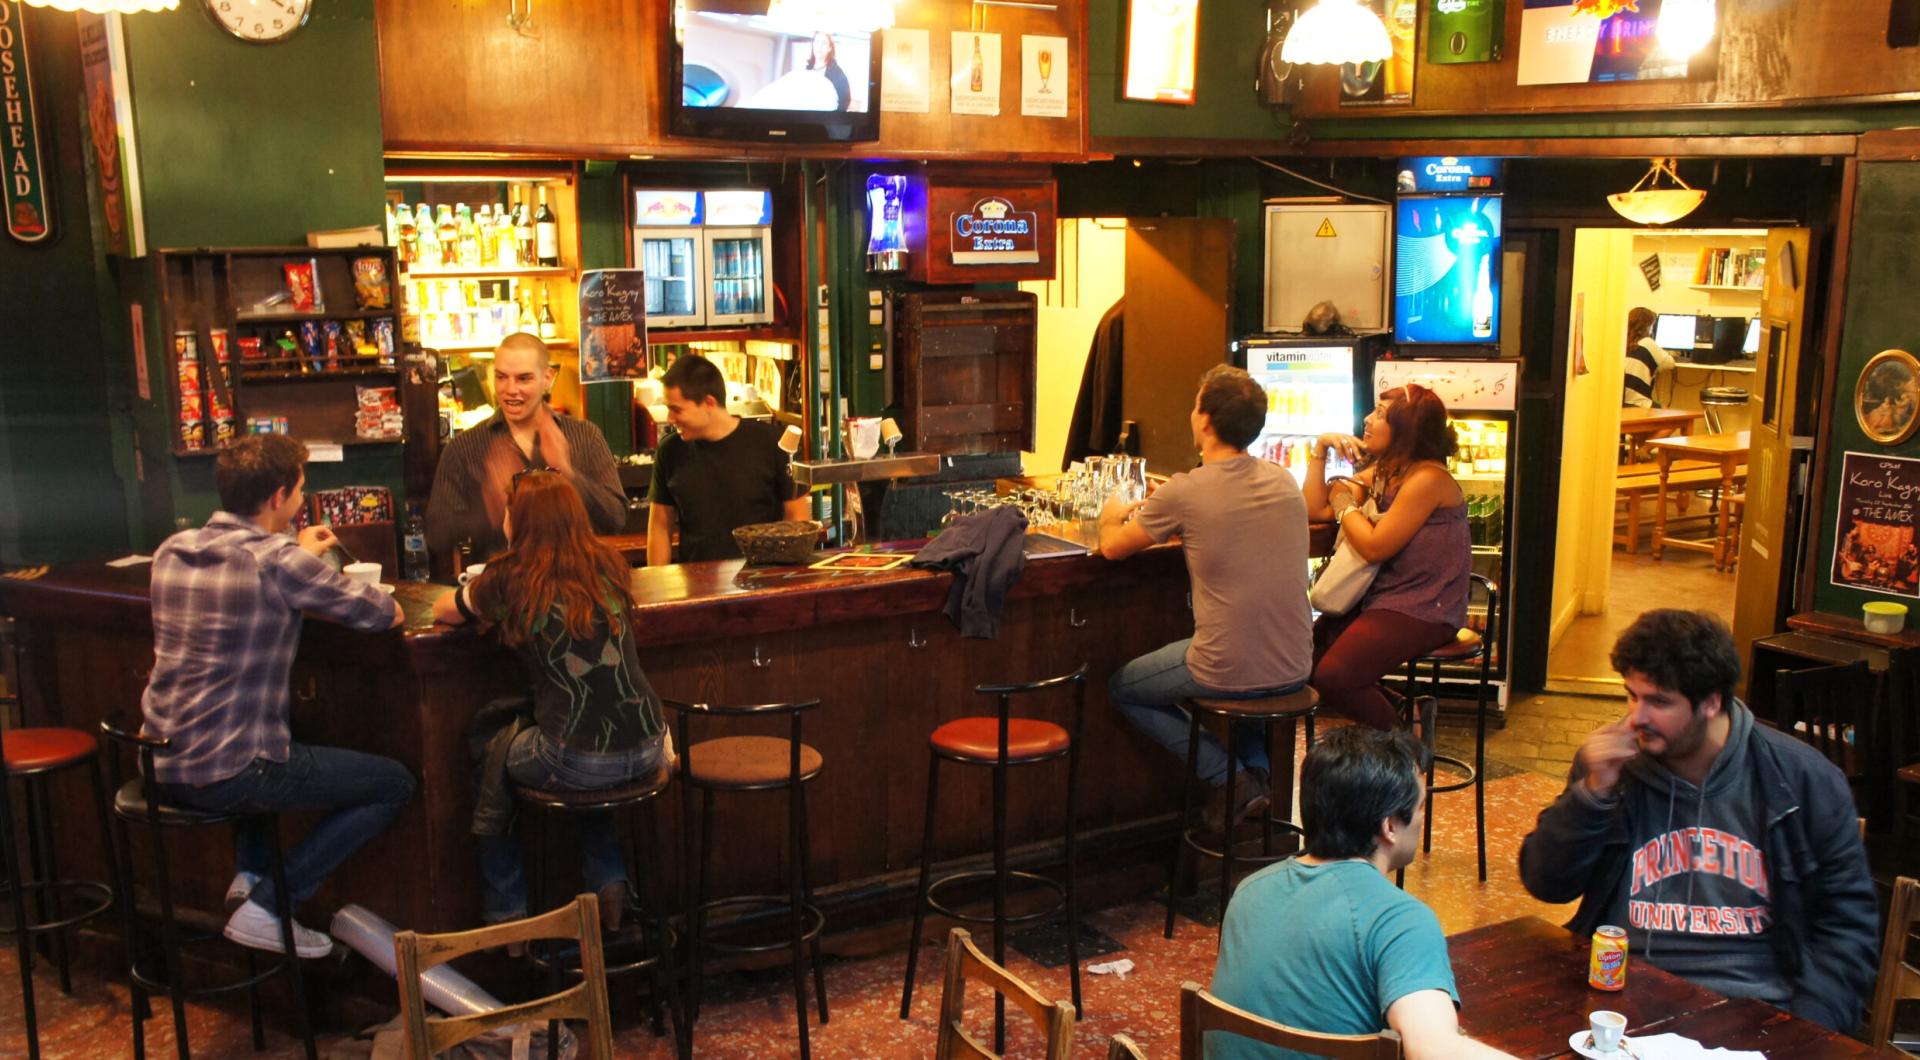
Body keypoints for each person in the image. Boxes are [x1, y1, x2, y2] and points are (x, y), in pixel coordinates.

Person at [1518, 609, 1878, 1033]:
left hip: (1760, 1009)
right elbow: (1546, 884)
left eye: (1659, 701)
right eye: (1632, 695)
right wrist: (1591, 796)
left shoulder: (1802, 781)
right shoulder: (1612, 769)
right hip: (1623, 997)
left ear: (1711, 702)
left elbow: (1847, 929)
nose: (1636, 717)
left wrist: (1808, 1032)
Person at [142, 434, 412, 958]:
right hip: (229, 773)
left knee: (270, 733)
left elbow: (251, 569)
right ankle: (269, 905)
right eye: (300, 491)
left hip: (162, 758)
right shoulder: (278, 561)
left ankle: (250, 872)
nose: (300, 501)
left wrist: (295, 551)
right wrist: (299, 556)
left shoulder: (173, 550)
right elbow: (385, 613)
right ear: (278, 496)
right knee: (393, 784)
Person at [434, 471, 671, 929]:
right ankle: (611, 889)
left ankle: (509, 917)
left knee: (496, 747)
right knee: (585, 767)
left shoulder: (509, 577)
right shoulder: (608, 563)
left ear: (517, 521)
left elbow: (445, 610)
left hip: (576, 760)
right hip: (647, 747)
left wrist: (478, 583)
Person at [1210, 726, 1518, 1060]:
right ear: (1389, 826)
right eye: (1420, 808)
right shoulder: (1400, 922)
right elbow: (1435, 1051)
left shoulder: (1250, 890)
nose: (1420, 819)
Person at [1098, 364, 1313, 830]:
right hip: (1295, 662)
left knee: (1123, 690)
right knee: (1257, 692)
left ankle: (1233, 780)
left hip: (1227, 665)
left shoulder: (1187, 490)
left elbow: (1112, 546)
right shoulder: (1283, 480)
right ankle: (1257, 783)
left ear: (1206, 420)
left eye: (1196, 406)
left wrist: (1111, 513)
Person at [1303, 383, 1470, 730]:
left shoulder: (1428, 479)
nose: (1367, 419)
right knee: (1304, 662)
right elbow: (1315, 507)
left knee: (1336, 675)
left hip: (1425, 607)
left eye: (1380, 414)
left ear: (1405, 429)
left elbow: (1374, 546)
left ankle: (1404, 752)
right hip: (1384, 601)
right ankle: (1407, 711)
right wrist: (1319, 450)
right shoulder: (1387, 472)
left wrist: (1344, 501)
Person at [426, 332, 627, 565]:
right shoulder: (464, 447)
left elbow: (616, 518)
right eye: (501, 377)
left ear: (547, 378)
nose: (510, 389)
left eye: (523, 379)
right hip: (501, 591)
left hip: (574, 588)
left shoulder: (585, 436)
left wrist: (568, 474)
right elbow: (436, 536)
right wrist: (488, 507)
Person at [646, 353, 810, 565]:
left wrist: (784, 579)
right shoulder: (670, 450)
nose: (669, 418)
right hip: (697, 585)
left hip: (762, 581)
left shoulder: (773, 443)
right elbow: (660, 527)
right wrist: (658, 587)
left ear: (708, 403)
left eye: (676, 409)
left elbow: (797, 519)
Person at [1622, 307, 1676, 409]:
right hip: (1639, 403)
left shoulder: (1624, 341)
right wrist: (1669, 354)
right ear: (1648, 326)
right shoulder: (1647, 342)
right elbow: (1670, 363)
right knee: (1665, 410)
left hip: (1621, 402)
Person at [808, 31, 851, 112]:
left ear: (829, 48)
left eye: (823, 43)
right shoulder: (806, 70)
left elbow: (844, 101)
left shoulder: (838, 74)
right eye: (817, 42)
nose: (819, 46)